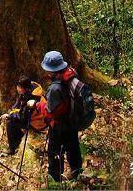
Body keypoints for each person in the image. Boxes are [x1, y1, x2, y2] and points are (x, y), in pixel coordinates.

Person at [27, 51, 83, 182]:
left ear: (51, 71)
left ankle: (55, 178)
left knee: (54, 151)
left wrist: (36, 104)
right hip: (72, 120)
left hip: (59, 125)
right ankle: (76, 170)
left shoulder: (55, 89)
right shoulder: (72, 75)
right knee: (73, 146)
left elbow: (49, 112)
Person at [0, 76, 47, 156]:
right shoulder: (29, 89)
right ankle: (16, 143)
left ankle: (12, 148)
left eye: (20, 87)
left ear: (26, 88)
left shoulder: (31, 98)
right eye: (18, 86)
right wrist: (12, 111)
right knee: (13, 118)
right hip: (31, 118)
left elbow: (22, 117)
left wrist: (9, 116)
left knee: (10, 122)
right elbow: (18, 103)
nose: (18, 89)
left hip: (38, 123)